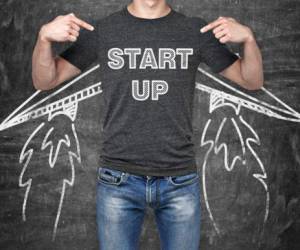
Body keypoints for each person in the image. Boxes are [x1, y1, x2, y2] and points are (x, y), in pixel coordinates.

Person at [31, 0, 264, 249]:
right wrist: (44, 38)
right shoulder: (105, 30)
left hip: (179, 179)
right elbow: (45, 80)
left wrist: (248, 39)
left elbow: (251, 80)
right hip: (118, 178)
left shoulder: (194, 31)